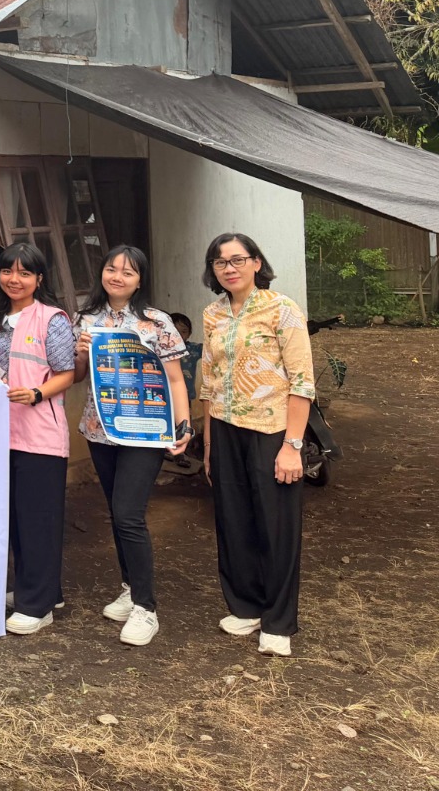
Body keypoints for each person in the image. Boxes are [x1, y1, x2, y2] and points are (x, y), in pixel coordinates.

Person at [200, 232, 315, 658]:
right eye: (219, 262)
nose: (228, 268)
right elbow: (209, 383)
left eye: (237, 259)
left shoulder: (281, 308)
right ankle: (245, 606)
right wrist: (209, 445)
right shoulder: (213, 314)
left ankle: (279, 621)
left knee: (276, 525)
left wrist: (293, 445)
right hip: (225, 427)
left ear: (255, 263)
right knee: (233, 520)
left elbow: (302, 381)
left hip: (272, 430)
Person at [71, 245, 192, 647]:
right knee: (116, 511)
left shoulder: (156, 321)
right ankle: (128, 586)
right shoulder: (87, 318)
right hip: (101, 429)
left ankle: (145, 607)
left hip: (146, 430)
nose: (118, 276)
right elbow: (79, 376)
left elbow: (175, 379)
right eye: (112, 269)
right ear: (102, 273)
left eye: (128, 272)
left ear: (140, 280)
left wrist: (183, 425)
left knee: (128, 515)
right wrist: (81, 354)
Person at [0, 242, 75, 636]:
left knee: (39, 518)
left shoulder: (52, 319)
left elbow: (67, 372)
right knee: (15, 518)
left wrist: (37, 393)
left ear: (39, 278)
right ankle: (38, 588)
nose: (14, 279)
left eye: (24, 273)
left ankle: (38, 605)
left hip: (39, 432)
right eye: (7, 271)